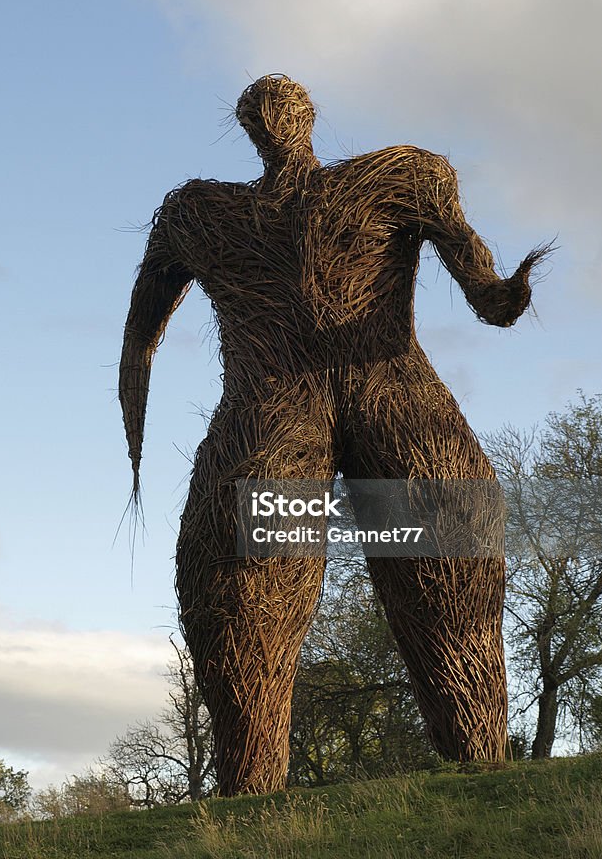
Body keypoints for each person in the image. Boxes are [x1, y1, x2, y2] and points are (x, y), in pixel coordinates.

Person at [120, 74, 548, 795]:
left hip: (310, 412)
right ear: (289, 123)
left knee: (422, 588)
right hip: (341, 409)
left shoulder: (209, 214)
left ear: (256, 127)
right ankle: (467, 776)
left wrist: (133, 433)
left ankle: (465, 775)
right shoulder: (392, 181)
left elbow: (139, 339)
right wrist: (507, 295)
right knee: (264, 590)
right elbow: (487, 297)